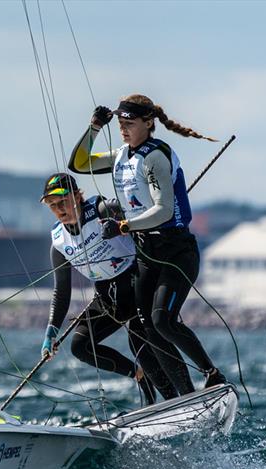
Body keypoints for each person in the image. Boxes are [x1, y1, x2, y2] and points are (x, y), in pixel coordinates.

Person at [68, 94, 226, 395]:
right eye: (120, 124)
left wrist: (125, 225)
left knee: (162, 321)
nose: (124, 129)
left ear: (148, 123)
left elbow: (164, 210)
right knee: (143, 330)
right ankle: (182, 398)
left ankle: (212, 373)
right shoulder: (120, 156)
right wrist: (94, 128)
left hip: (176, 251)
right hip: (146, 253)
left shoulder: (155, 156)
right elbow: (79, 164)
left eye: (129, 124)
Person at [39, 172, 179, 404]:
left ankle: (174, 401)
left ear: (77, 195)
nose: (59, 209)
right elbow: (62, 291)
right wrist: (51, 330)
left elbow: (141, 216)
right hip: (108, 298)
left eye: (63, 201)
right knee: (80, 346)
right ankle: (139, 375)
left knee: (139, 345)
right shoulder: (58, 242)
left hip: (137, 286)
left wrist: (123, 225)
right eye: (52, 205)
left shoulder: (104, 209)